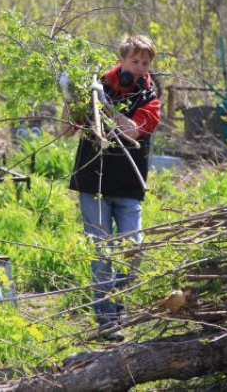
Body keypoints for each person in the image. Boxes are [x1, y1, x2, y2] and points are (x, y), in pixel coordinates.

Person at [64, 35, 161, 340]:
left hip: (129, 185)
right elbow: (67, 131)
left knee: (133, 249)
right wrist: (72, 99)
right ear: (121, 60)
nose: (141, 68)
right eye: (135, 61)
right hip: (93, 182)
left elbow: (134, 129)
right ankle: (107, 319)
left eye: (146, 63)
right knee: (101, 251)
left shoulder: (149, 96)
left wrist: (107, 109)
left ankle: (119, 305)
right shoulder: (97, 86)